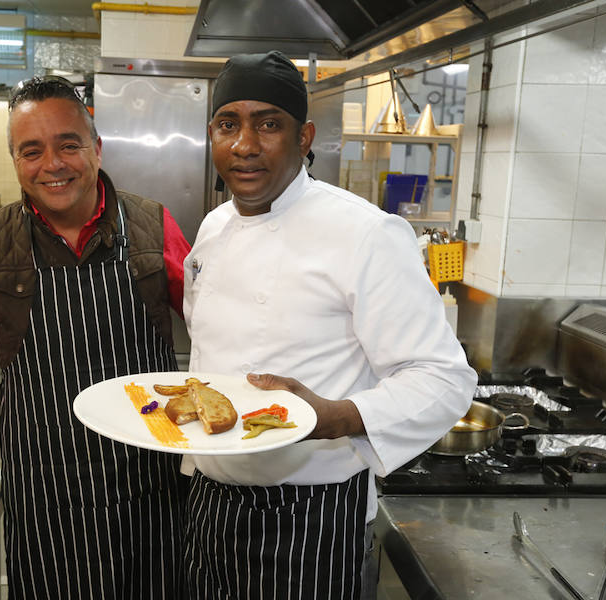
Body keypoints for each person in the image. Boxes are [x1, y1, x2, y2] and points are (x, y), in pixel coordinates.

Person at [181, 50, 477, 599]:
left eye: (269, 124)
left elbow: (444, 378)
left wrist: (336, 417)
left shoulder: (365, 233)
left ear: (304, 137)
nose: (245, 145)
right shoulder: (214, 226)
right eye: (229, 124)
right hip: (208, 506)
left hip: (311, 517)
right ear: (213, 134)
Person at [0, 76, 191, 600]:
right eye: (31, 151)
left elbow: (217, 326)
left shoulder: (154, 225)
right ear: (15, 159)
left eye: (68, 144)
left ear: (96, 146)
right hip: (47, 496)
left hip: (153, 491)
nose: (52, 164)